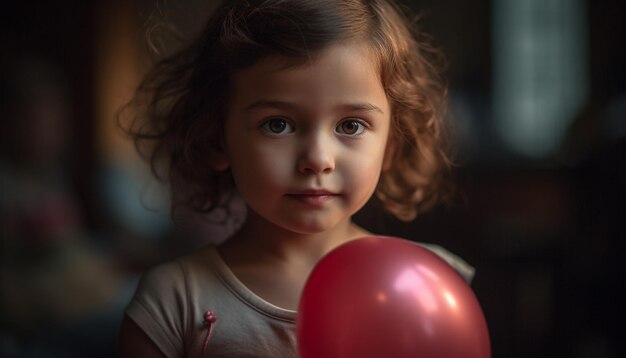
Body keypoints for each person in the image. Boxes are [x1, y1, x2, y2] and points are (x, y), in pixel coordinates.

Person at [117, 0, 475, 356]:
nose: (317, 159)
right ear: (216, 139)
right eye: (278, 124)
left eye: (350, 125)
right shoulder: (174, 303)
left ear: (391, 145)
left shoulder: (429, 287)